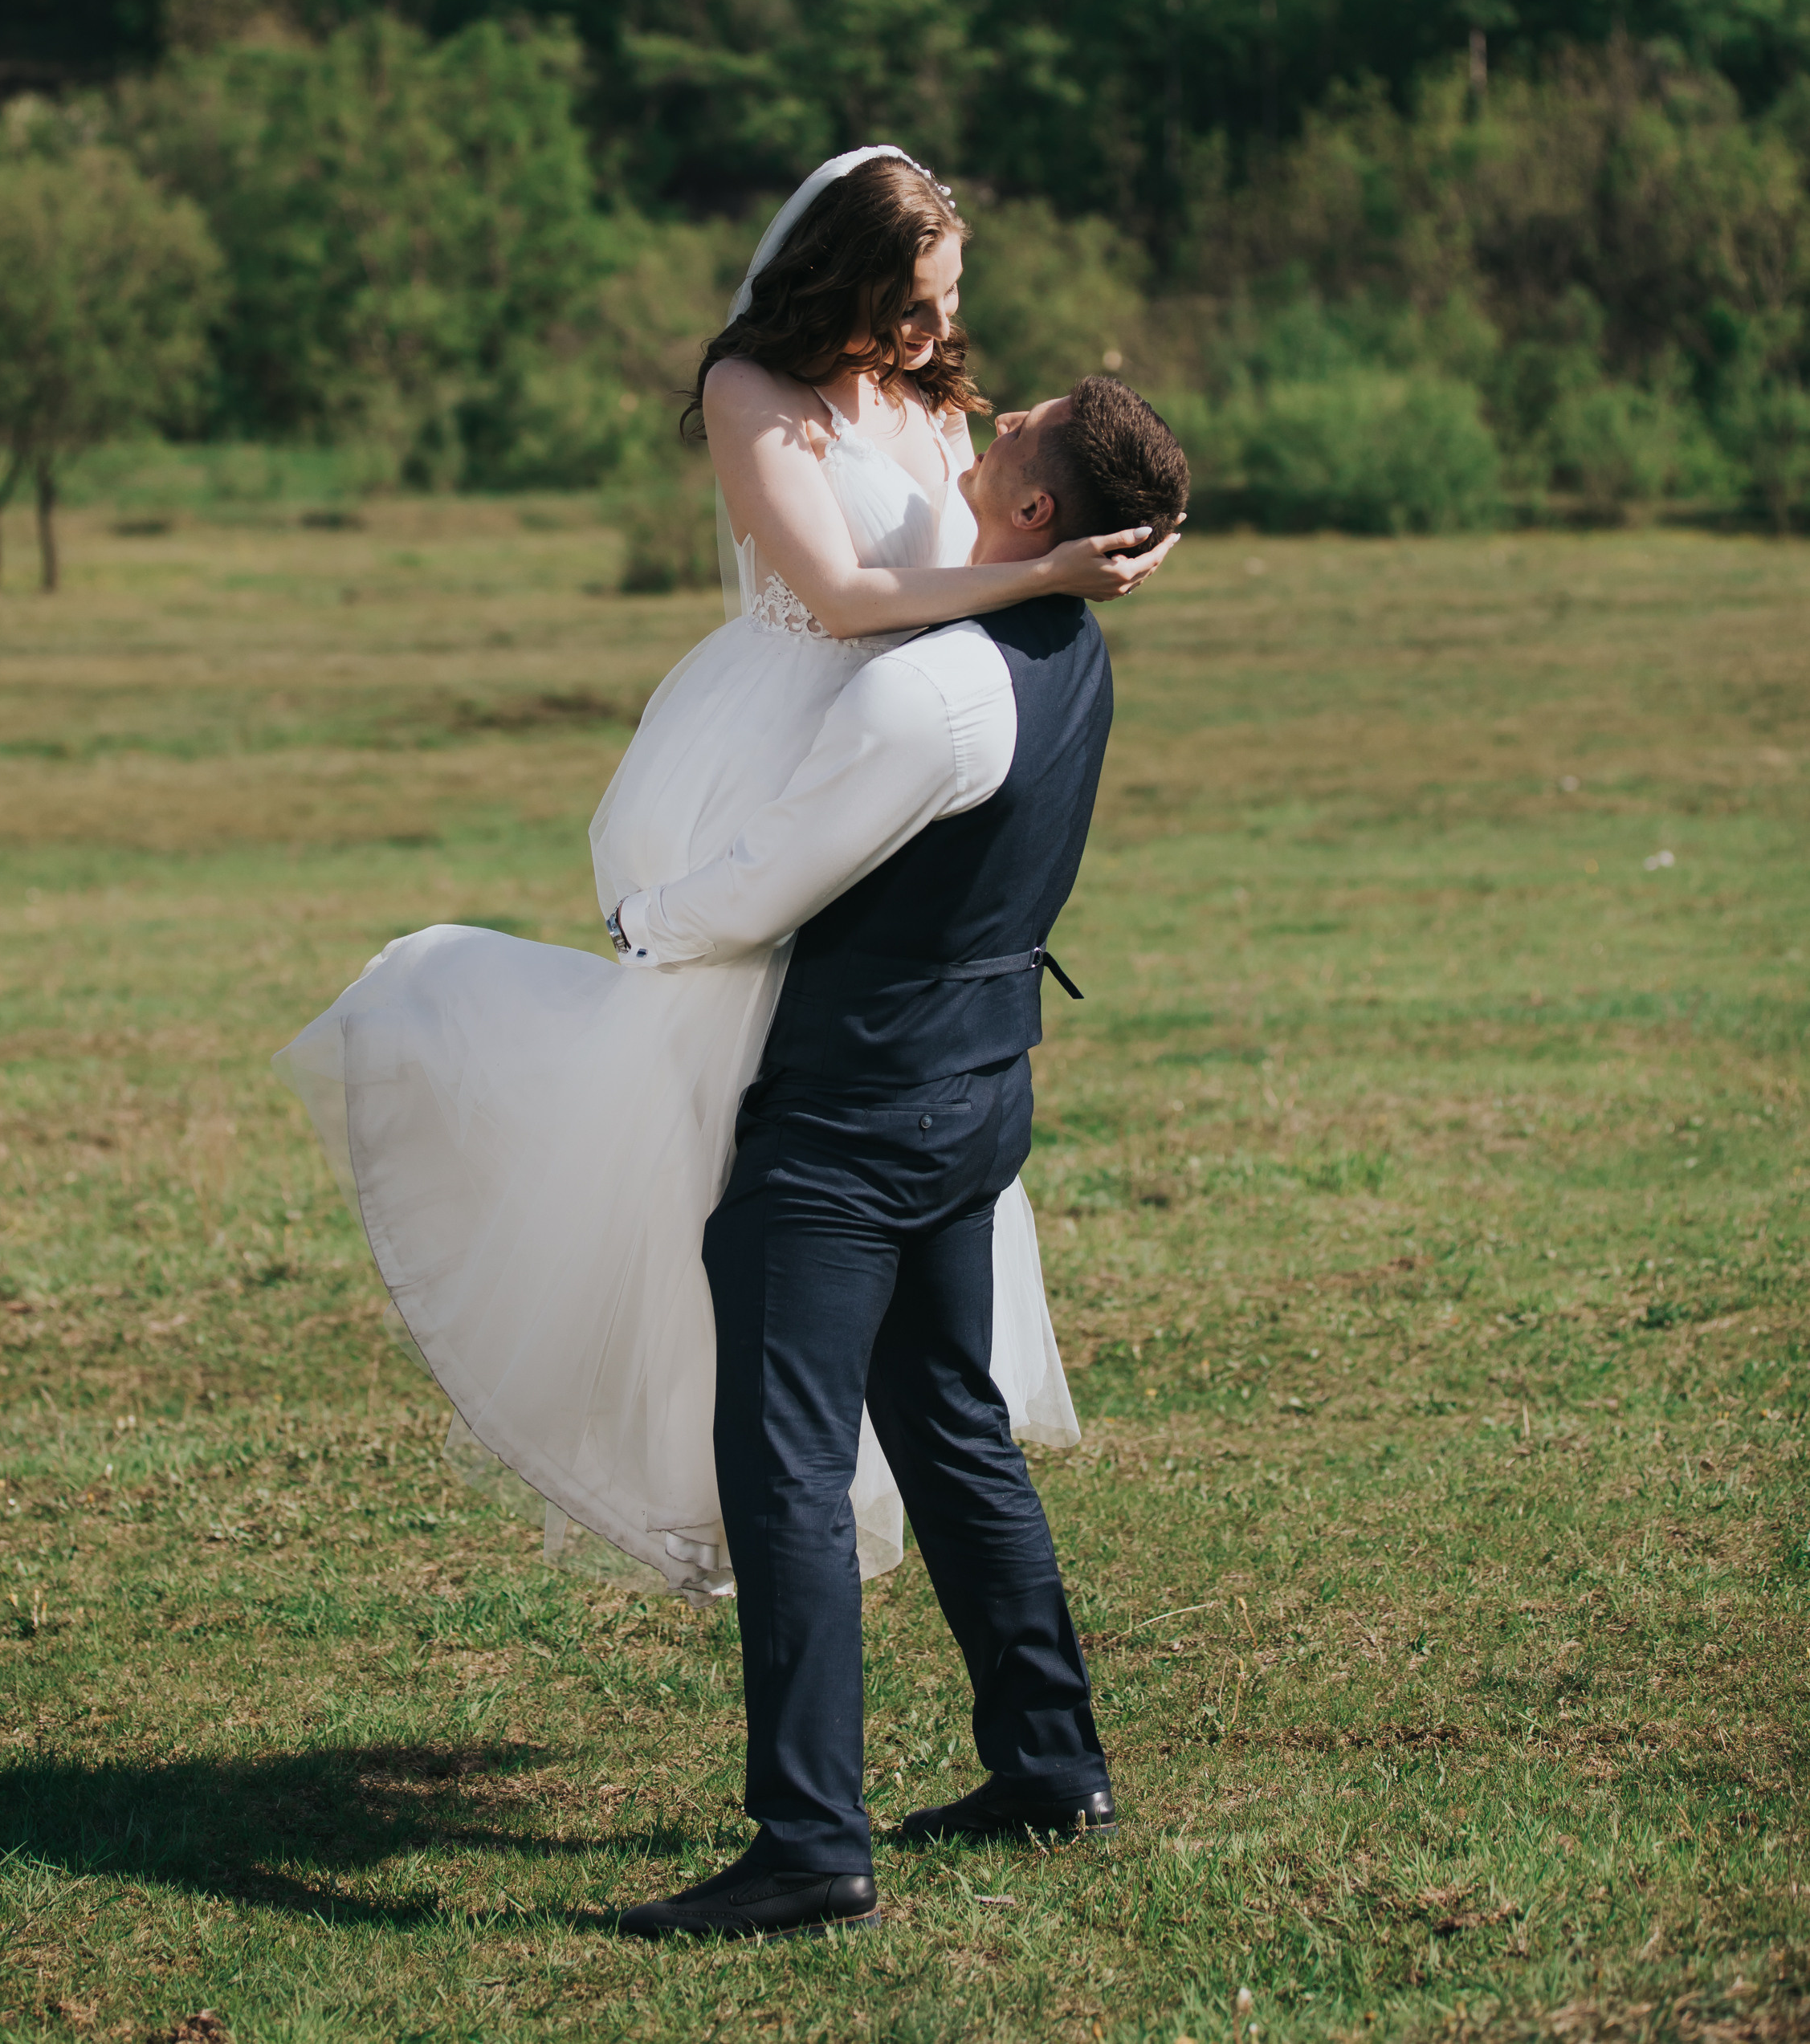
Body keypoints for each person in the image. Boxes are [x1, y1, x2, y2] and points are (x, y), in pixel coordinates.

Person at [274, 149, 1177, 1598]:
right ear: (853, 287)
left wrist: (1089, 537)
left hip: (894, 746)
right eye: (919, 307)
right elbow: (840, 594)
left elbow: (1001, 518)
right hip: (765, 745)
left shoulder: (932, 391)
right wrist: (1041, 581)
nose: (943, 337)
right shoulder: (754, 398)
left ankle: (837, 1416)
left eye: (952, 304)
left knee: (819, 1101)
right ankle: (714, 1448)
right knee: (715, 1104)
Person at [609, 375, 1190, 1940]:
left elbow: (771, 877)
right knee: (949, 1415)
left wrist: (641, 925)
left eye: (1014, 431)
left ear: (1036, 513)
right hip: (980, 1089)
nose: (984, 423)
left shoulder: (932, 692)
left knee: (785, 1457)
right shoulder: (1074, 653)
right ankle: (1051, 1762)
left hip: (857, 1117)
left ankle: (810, 1840)